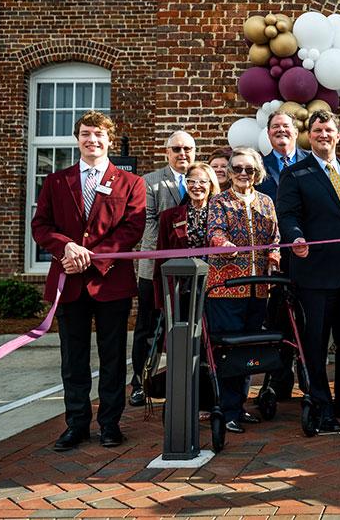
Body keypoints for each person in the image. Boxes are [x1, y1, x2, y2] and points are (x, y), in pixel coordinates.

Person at [31, 111, 146, 451]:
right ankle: (76, 424)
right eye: (85, 134)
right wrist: (66, 247)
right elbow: (41, 226)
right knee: (73, 359)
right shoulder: (56, 181)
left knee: (113, 358)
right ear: (77, 138)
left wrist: (92, 257)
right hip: (68, 280)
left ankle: (110, 424)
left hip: (110, 282)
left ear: (109, 139)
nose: (92, 140)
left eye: (98, 134)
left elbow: (132, 229)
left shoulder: (131, 183)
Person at [277, 109, 340, 432]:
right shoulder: (295, 173)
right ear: (309, 136)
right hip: (314, 273)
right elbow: (287, 215)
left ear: (339, 135)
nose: (323, 135)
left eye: (328, 130)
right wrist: (295, 237)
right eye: (317, 131)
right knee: (315, 344)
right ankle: (321, 406)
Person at [206, 147, 280, 434]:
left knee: (248, 349)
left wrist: (274, 255)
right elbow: (215, 231)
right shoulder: (219, 201)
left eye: (249, 169)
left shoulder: (266, 202)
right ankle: (227, 409)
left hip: (258, 288)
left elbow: (275, 237)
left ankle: (240, 405)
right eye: (237, 168)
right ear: (229, 171)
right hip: (226, 289)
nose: (243, 173)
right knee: (229, 350)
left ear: (257, 172)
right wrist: (222, 244)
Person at [130, 130, 196, 408]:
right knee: (149, 328)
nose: (183, 154)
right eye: (177, 149)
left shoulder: (200, 179)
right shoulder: (150, 182)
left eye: (188, 149)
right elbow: (148, 223)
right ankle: (140, 383)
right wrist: (173, 249)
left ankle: (185, 382)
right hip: (155, 268)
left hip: (193, 270)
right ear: (167, 152)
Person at [152, 162, 222, 308]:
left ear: (211, 185)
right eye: (191, 181)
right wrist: (162, 301)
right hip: (178, 288)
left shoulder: (221, 216)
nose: (196, 186)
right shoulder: (169, 217)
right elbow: (161, 259)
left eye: (202, 181)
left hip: (212, 288)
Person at [259, 112, 309, 203]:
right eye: (275, 126)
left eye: (286, 126)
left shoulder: (313, 161)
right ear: (268, 134)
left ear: (296, 133)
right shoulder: (258, 166)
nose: (281, 129)